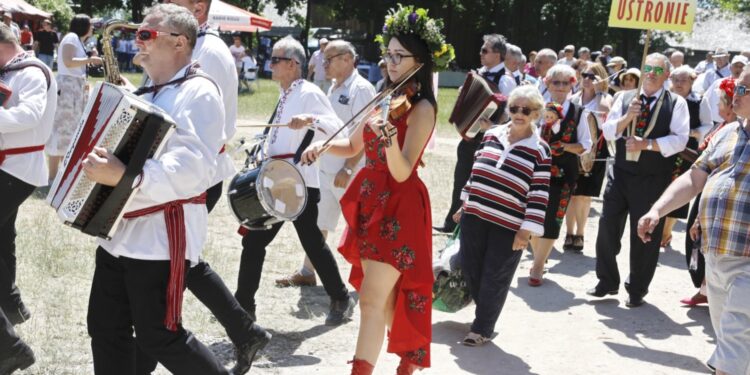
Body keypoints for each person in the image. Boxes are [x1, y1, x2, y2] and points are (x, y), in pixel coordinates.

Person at [301, 5, 452, 373]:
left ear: (420, 60)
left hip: (400, 207)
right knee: (383, 301)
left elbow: (402, 171)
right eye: (389, 53)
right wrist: (321, 146)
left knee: (370, 300)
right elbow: (353, 147)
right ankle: (407, 362)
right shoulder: (384, 97)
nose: (392, 61)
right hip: (371, 202)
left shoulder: (422, 109)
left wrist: (387, 142)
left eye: (400, 56)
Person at [82, 4, 231, 374]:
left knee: (159, 336)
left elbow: (194, 168)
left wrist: (124, 177)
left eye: (146, 34)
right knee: (104, 327)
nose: (138, 42)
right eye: (137, 35)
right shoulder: (150, 89)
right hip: (118, 231)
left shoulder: (200, 93)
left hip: (162, 237)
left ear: (180, 42)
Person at [143, 1, 267, 374]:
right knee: (185, 261)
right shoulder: (203, 43)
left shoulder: (206, 49)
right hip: (182, 169)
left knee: (176, 263)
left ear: (197, 8)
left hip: (192, 172)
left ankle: (151, 349)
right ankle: (244, 331)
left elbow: (188, 119)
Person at [235, 35, 355, 327]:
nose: (270, 64)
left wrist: (309, 120)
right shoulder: (287, 93)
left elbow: (337, 129)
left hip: (299, 184)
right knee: (254, 242)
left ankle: (340, 296)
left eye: (275, 60)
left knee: (312, 243)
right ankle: (243, 306)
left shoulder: (309, 92)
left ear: (292, 64)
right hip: (277, 181)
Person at [637, 65, 750, 375]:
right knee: (729, 334)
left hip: (747, 260)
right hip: (715, 255)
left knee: (736, 337)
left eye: (742, 89)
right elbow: (695, 177)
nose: (733, 94)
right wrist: (657, 210)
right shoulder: (728, 132)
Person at [588, 53, 689, 307]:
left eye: (658, 71)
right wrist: (626, 119)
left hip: (652, 177)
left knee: (645, 234)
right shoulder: (624, 97)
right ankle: (606, 281)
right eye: (648, 69)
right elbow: (608, 131)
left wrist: (648, 144)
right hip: (620, 172)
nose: (652, 75)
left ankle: (637, 288)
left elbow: (680, 140)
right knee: (607, 226)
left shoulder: (675, 103)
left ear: (666, 75)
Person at [455, 84, 550, 346]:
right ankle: (484, 313)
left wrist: (527, 229)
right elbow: (476, 171)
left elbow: (539, 194)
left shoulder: (541, 150)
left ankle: (482, 327)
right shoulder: (491, 135)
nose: (519, 113)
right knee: (470, 265)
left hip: (509, 225)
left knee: (495, 274)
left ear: (536, 113)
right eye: (514, 108)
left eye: (526, 110)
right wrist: (465, 201)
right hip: (475, 213)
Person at [275, 39, 375, 288]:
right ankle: (308, 272)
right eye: (323, 58)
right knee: (320, 223)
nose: (324, 63)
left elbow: (365, 133)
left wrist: (349, 167)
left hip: (349, 170)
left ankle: (371, 279)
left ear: (348, 59)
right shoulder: (333, 88)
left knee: (359, 226)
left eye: (329, 59)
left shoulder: (361, 89)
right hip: (327, 168)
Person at [0, 23, 57, 374]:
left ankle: (9, 347)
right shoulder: (11, 70)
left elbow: (30, 116)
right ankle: (11, 305)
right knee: (3, 238)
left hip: (17, 169)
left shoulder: (33, 71)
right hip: (9, 166)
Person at [433, 33, 515, 234]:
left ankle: (471, 226)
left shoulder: (506, 80)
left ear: (498, 54)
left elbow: (510, 115)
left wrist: (493, 126)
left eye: (485, 50)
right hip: (469, 139)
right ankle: (452, 223)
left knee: (481, 183)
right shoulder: (478, 73)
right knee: (460, 180)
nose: (480, 53)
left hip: (491, 141)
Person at [528, 64, 592, 286]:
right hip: (536, 169)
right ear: (547, 83)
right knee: (534, 214)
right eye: (556, 82)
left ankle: (537, 266)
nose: (561, 87)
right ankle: (540, 258)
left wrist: (564, 147)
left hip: (564, 173)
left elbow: (585, 145)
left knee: (554, 217)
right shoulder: (535, 108)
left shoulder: (579, 112)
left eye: (566, 83)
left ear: (572, 84)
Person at [680, 77, 737, 308]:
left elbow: (711, 166)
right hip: (706, 192)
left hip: (719, 198)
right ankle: (705, 289)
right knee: (699, 244)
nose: (717, 106)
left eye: (721, 101)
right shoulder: (723, 128)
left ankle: (712, 292)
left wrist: (682, 151)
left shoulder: (735, 131)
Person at [660, 66, 713, 247]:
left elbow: (708, 125)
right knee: (661, 185)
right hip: (664, 147)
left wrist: (693, 132)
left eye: (683, 80)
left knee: (680, 188)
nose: (679, 84)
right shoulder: (665, 98)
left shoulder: (699, 101)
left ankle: (666, 232)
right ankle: (659, 228)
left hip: (687, 150)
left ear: (691, 81)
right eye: (676, 80)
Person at [46, 14, 102, 182]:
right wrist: (90, 59)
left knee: (69, 131)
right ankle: (52, 177)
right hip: (68, 87)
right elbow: (68, 62)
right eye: (90, 25)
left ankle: (61, 175)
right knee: (61, 130)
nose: (92, 28)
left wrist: (88, 58)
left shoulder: (77, 40)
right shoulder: (71, 37)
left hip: (75, 87)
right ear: (83, 25)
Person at [564, 63, 612, 252]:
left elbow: (603, 113)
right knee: (571, 195)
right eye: (585, 75)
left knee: (584, 197)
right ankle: (569, 232)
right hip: (575, 149)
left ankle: (580, 233)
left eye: (592, 76)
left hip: (595, 153)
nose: (587, 78)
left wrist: (600, 90)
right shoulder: (574, 98)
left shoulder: (606, 98)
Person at [705, 55, 747, 124]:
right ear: (730, 67)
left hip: (739, 124)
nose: (738, 69)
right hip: (716, 123)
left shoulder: (747, 87)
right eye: (736, 66)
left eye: (742, 66)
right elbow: (706, 100)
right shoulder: (718, 82)